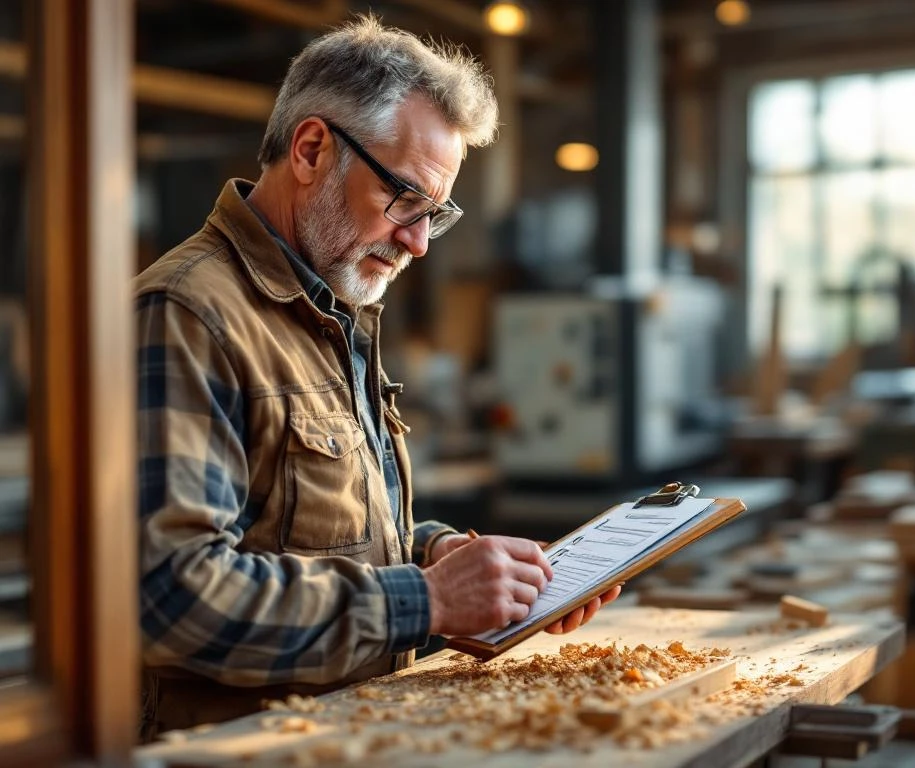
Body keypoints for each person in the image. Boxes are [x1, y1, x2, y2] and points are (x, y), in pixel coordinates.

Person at [134, 15, 619, 737]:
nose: (419, 244)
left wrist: (438, 553)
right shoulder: (188, 312)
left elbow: (305, 527)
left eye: (436, 214)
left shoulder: (329, 307)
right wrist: (427, 600)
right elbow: (171, 598)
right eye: (405, 200)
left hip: (344, 738)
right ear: (311, 151)